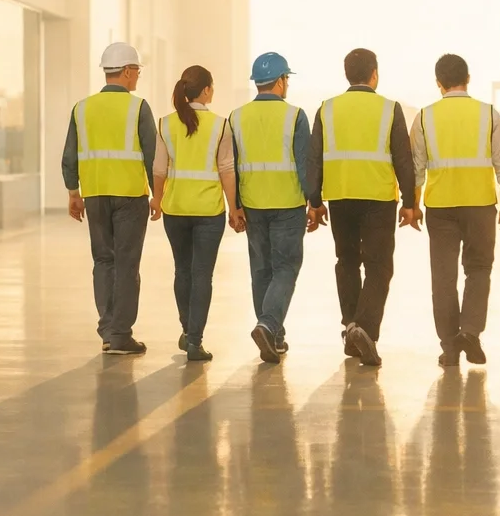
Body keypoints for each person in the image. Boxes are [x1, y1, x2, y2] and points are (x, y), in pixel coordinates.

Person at [305, 48, 418, 368]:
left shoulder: (327, 109)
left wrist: (314, 202)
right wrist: (410, 204)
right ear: (374, 74)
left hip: (340, 196)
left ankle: (350, 327)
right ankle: (364, 328)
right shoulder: (389, 108)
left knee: (347, 261)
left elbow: (315, 158)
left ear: (347, 74)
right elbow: (403, 160)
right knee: (379, 266)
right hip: (379, 198)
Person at [407, 53, 500, 367]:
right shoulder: (488, 114)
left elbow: (417, 168)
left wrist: (413, 206)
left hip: (440, 207)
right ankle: (470, 332)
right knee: (479, 269)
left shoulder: (425, 117)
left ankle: (449, 347)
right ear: (468, 79)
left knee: (443, 277)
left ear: (439, 83)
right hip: (481, 205)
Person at [63, 42, 158, 356]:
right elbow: (152, 156)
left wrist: (73, 193)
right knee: (127, 265)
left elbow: (69, 157)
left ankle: (107, 329)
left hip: (94, 195)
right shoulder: (138, 107)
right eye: (138, 72)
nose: (138, 78)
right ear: (128, 72)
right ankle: (119, 335)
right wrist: (159, 195)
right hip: (130, 195)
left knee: (103, 261)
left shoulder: (81, 108)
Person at [231, 52, 321, 364]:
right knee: (285, 268)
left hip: (253, 204)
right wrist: (314, 202)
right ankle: (269, 325)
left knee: (261, 270)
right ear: (281, 80)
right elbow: (304, 164)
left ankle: (273, 334)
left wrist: (235, 206)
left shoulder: (236, 117)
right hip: (288, 203)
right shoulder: (295, 116)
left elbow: (232, 167)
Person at [149, 65, 241, 363]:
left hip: (175, 209)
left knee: (182, 270)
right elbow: (227, 170)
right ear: (205, 91)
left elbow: (159, 170)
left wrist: (156, 200)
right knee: (202, 274)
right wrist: (234, 208)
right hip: (208, 211)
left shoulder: (166, 123)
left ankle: (188, 330)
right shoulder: (220, 125)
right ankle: (194, 341)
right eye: (211, 87)